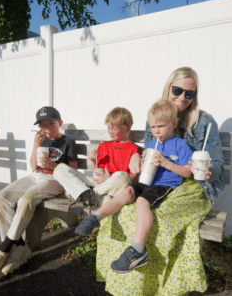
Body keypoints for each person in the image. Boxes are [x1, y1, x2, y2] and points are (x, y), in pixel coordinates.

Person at [96, 67, 225, 296]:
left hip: (195, 186)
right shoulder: (155, 116)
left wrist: (209, 171)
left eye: (189, 94)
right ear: (168, 89)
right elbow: (150, 150)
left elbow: (216, 163)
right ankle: (133, 286)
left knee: (161, 220)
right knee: (125, 213)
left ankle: (167, 288)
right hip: (161, 181)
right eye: (177, 90)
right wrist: (138, 154)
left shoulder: (205, 121)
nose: (182, 97)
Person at [75, 99, 194, 273]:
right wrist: (143, 161)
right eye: (153, 127)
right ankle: (95, 218)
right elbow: (140, 167)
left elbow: (187, 172)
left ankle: (138, 250)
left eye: (161, 126)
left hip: (164, 185)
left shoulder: (180, 145)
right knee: (127, 192)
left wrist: (166, 163)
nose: (156, 131)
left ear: (174, 123)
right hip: (147, 181)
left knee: (141, 202)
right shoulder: (153, 144)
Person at [0, 106, 78, 281]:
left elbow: (73, 171)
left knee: (27, 200)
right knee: (0, 198)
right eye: (43, 125)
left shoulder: (68, 142)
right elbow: (33, 166)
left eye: (51, 124)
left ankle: (4, 248)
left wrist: (53, 166)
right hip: (36, 176)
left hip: (56, 180)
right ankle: (17, 249)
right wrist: (36, 144)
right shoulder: (41, 140)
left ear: (60, 123)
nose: (47, 128)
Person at [53, 107, 141, 209]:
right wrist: (93, 161)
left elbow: (130, 179)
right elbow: (97, 173)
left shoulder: (133, 149)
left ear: (128, 128)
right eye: (108, 127)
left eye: (114, 128)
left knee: (122, 176)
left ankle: (83, 195)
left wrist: (109, 179)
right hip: (96, 186)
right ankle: (90, 196)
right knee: (59, 169)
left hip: (112, 187)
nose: (110, 131)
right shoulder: (103, 146)